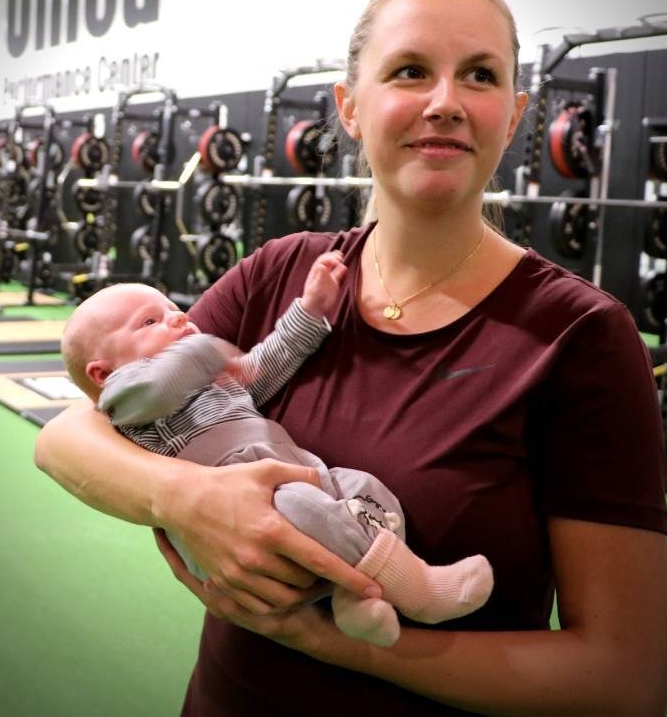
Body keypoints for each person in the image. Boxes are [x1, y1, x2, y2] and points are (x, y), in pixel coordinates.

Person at [35, 0, 667, 716]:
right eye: (410, 71)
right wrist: (191, 500)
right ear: (350, 108)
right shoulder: (280, 273)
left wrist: (340, 642)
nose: (445, 102)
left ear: (514, 116)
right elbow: (69, 434)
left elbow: (622, 682)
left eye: (480, 75)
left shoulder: (582, 336)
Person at [60, 254, 494, 648]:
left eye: (174, 310)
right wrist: (203, 349)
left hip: (296, 475)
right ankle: (418, 589)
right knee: (303, 505)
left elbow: (264, 363)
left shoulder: (210, 378)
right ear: (102, 373)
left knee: (363, 487)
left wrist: (311, 308)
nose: (179, 318)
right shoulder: (127, 398)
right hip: (247, 506)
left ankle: (356, 599)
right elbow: (159, 384)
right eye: (149, 322)